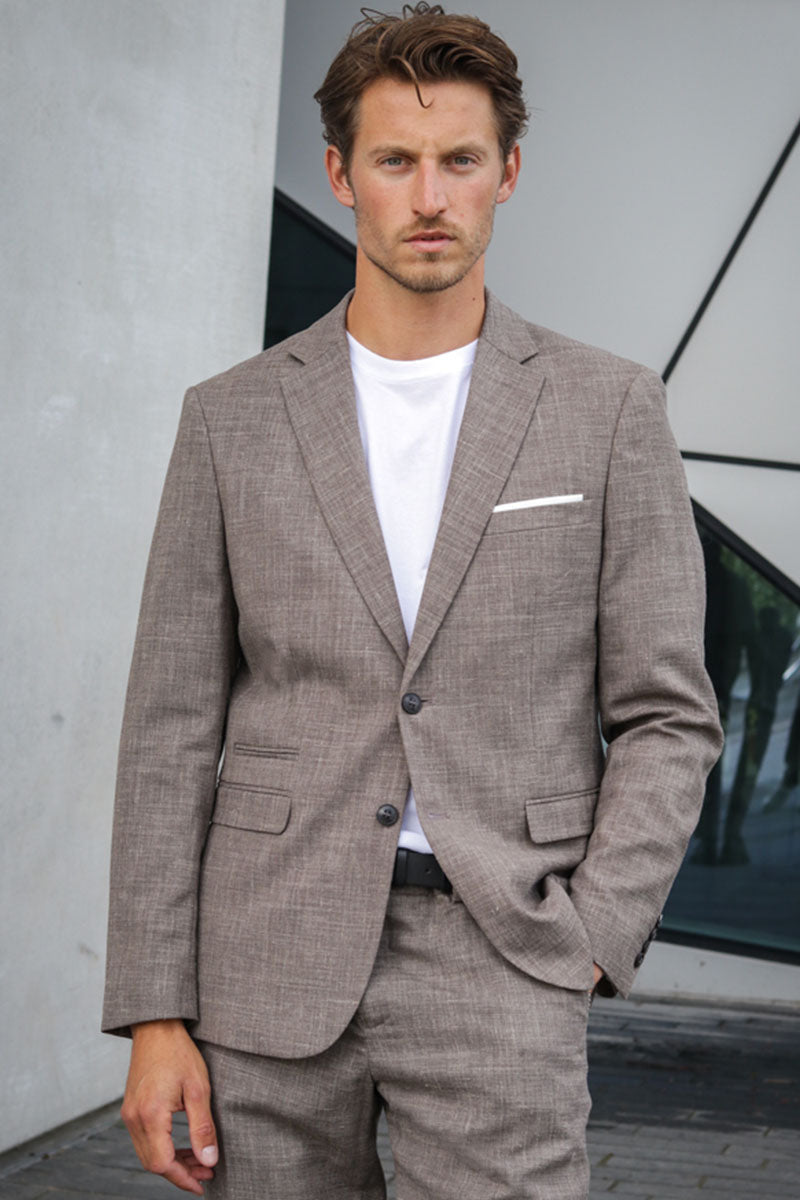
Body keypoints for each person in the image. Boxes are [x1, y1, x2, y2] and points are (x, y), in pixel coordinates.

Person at [102, 5, 723, 1198]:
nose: (428, 196)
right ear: (340, 176)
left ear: (507, 174)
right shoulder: (230, 418)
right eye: (394, 160)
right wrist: (153, 1011)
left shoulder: (606, 409)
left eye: (459, 160)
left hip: (505, 957)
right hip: (263, 963)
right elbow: (169, 728)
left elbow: (666, 711)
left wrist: (595, 935)